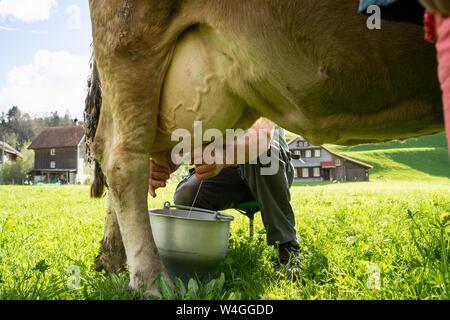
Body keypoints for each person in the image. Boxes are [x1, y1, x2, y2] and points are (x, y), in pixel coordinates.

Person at [148, 118, 302, 275]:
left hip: (269, 168)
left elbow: (261, 137)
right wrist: (164, 160)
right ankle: (212, 243)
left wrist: (221, 157)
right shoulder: (200, 100)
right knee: (186, 194)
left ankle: (287, 247)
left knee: (262, 156)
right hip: (230, 172)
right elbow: (180, 143)